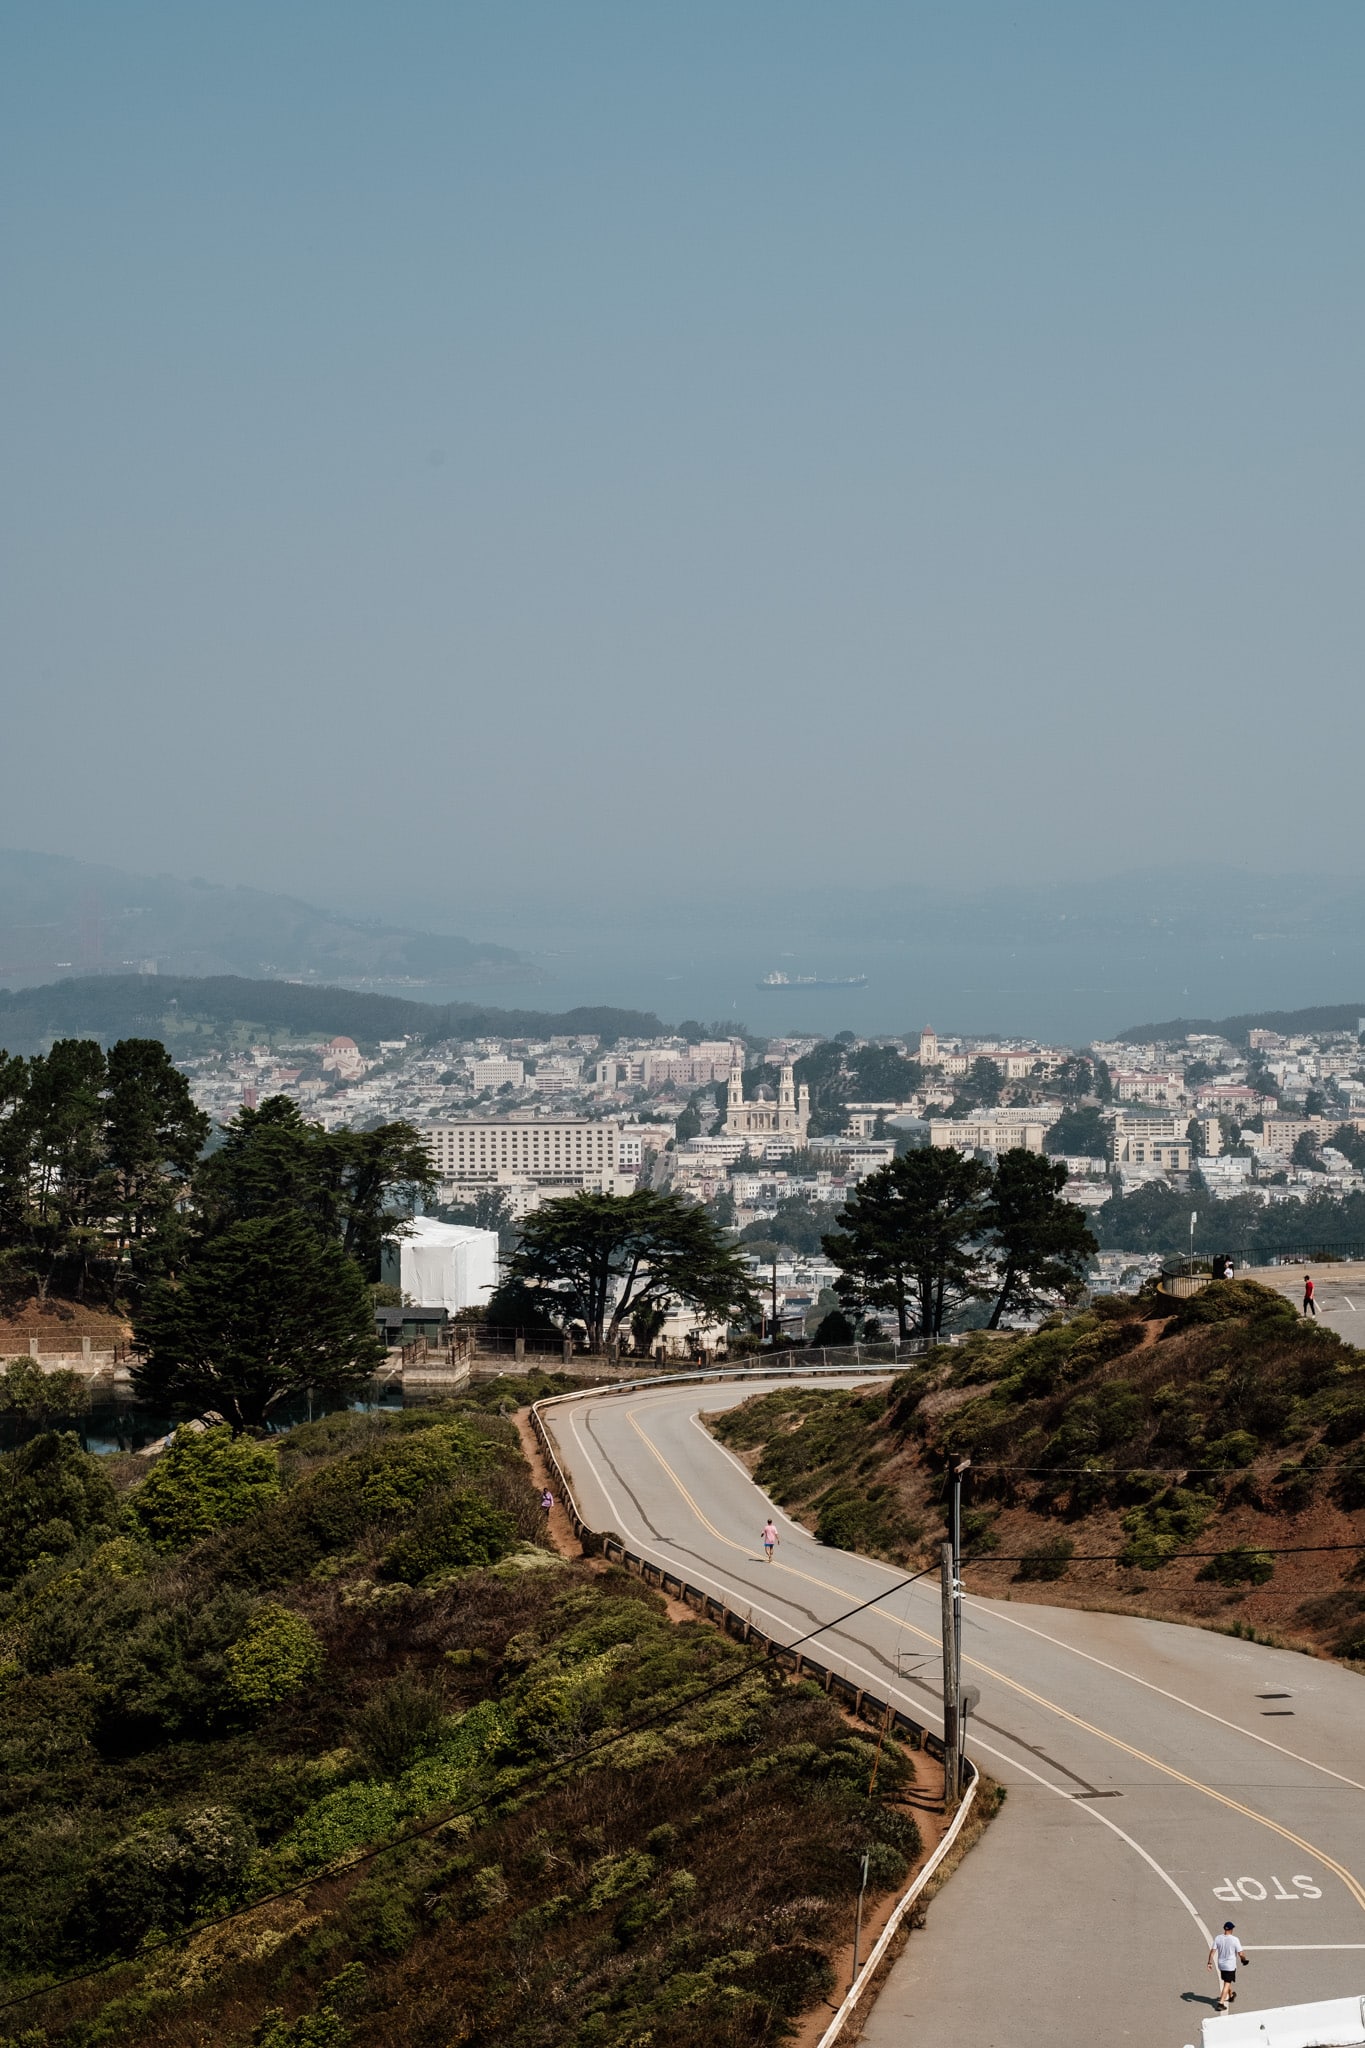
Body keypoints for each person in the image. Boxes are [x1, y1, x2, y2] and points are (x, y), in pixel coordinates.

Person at [1208, 1923, 1248, 2009]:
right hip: (1230, 1965)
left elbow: (1212, 1951)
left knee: (1227, 1980)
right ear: (1232, 1929)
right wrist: (1243, 1959)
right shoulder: (1235, 1939)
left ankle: (1231, 1995)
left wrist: (1209, 1963)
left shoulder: (1218, 1938)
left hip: (1221, 1965)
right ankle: (1221, 2003)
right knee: (1227, 1983)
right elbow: (1240, 1953)